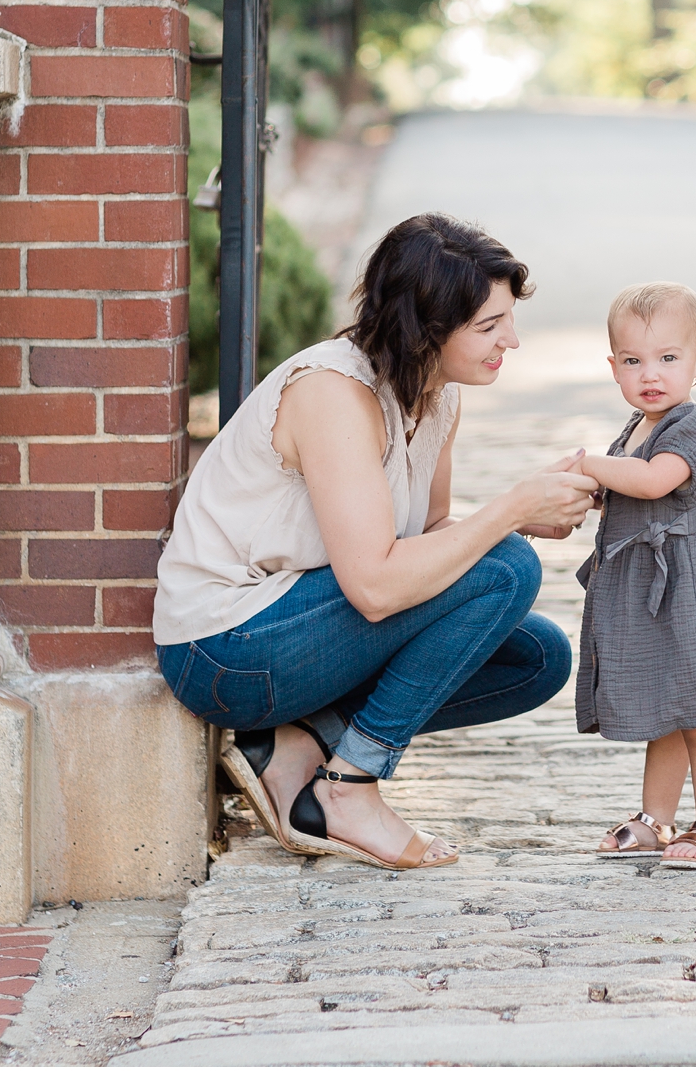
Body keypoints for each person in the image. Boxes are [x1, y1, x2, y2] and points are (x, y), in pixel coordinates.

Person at [154, 213, 596, 870]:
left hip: (300, 628)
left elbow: (432, 538)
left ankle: (297, 741)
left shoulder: (435, 395)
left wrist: (516, 517)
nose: (512, 341)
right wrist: (506, 515)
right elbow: (376, 586)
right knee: (507, 568)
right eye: (489, 327)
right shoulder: (332, 393)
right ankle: (351, 787)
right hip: (224, 650)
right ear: (426, 329)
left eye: (507, 320)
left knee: (536, 658)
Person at [571, 281, 696, 869]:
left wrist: (585, 464)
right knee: (664, 710)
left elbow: (653, 482)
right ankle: (655, 820)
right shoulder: (635, 427)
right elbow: (628, 494)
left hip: (692, 589)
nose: (650, 374)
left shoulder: (695, 426)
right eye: (633, 361)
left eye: (668, 359)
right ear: (614, 367)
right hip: (653, 593)